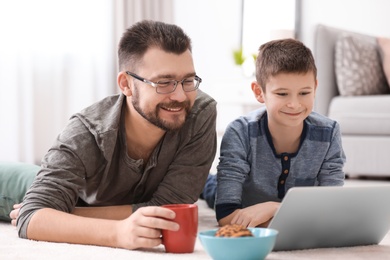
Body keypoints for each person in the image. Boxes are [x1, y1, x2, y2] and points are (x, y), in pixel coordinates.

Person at [10, 20, 217, 250]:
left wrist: (70, 216)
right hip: (26, 190)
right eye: (164, 83)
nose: (180, 95)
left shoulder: (199, 112)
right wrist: (117, 232)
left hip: (75, 206)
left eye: (187, 80)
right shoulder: (86, 133)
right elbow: (31, 217)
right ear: (126, 84)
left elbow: (169, 209)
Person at [202, 38, 345, 228]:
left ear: (315, 88)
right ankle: (205, 180)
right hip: (243, 197)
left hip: (272, 209)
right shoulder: (240, 132)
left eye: (304, 93)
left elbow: (332, 208)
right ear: (259, 92)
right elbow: (227, 216)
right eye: (282, 94)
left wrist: (274, 208)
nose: (294, 104)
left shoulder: (329, 133)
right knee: (210, 188)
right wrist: (300, 218)